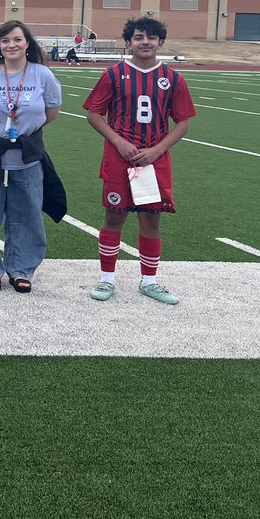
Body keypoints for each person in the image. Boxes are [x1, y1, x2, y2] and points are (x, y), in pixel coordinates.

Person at [83, 17, 196, 305]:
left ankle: (149, 281)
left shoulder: (172, 78)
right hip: (119, 158)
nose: (145, 42)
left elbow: (183, 122)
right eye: (138, 37)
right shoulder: (114, 74)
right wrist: (119, 141)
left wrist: (157, 150)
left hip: (153, 160)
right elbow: (94, 114)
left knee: (151, 219)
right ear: (129, 42)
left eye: (151, 37)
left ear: (161, 43)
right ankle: (107, 280)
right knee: (114, 215)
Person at [0, 20, 65, 293]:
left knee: (27, 212)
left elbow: (51, 112)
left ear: (27, 43)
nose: (11, 45)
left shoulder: (42, 75)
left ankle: (22, 269)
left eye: (17, 39)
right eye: (5, 41)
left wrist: (23, 134)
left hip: (27, 157)